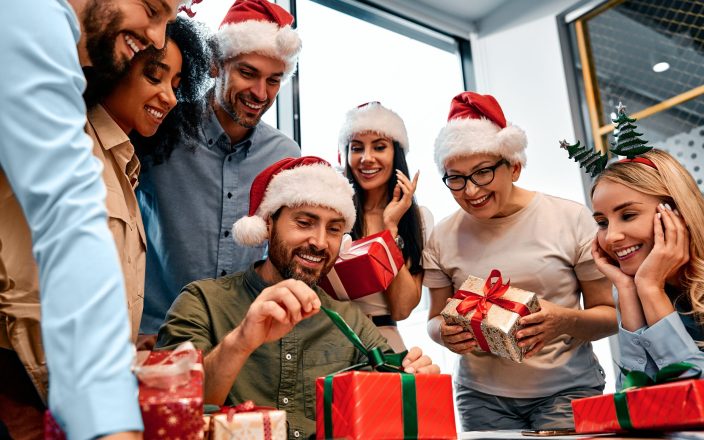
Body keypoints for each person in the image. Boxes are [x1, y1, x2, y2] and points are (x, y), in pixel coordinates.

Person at [156, 156, 440, 439]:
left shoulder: (351, 320)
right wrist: (241, 341)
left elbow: (389, 414)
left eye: (333, 229)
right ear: (268, 223)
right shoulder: (202, 302)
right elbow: (171, 411)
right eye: (304, 223)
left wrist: (414, 379)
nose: (319, 241)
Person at [0, 1, 179, 439]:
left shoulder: (127, 168)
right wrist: (109, 418)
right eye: (152, 8)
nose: (155, 36)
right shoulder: (28, 15)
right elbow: (69, 225)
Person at [424, 91, 617, 430]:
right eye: (456, 178)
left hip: (567, 392)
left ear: (514, 166)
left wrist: (562, 320)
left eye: (482, 172)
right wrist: (444, 334)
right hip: (479, 397)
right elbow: (435, 319)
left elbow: (611, 317)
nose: (471, 191)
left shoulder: (570, 218)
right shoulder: (442, 236)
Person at [137, 0, 302, 336]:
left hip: (241, 345)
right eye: (247, 73)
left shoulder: (285, 154)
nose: (260, 93)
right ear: (215, 64)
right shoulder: (163, 127)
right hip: (156, 338)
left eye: (274, 80)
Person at [588, 143, 704, 384]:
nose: (611, 237)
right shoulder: (635, 287)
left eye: (628, 216)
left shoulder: (648, 285)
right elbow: (635, 397)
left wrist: (651, 289)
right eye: (602, 222)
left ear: (676, 212)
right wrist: (630, 292)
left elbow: (694, 391)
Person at [336, 101, 432, 351]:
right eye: (357, 148)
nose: (367, 158)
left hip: (384, 345)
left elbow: (401, 309)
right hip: (331, 341)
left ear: (396, 154)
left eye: (379, 147)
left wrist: (390, 231)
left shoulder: (418, 218)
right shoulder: (334, 212)